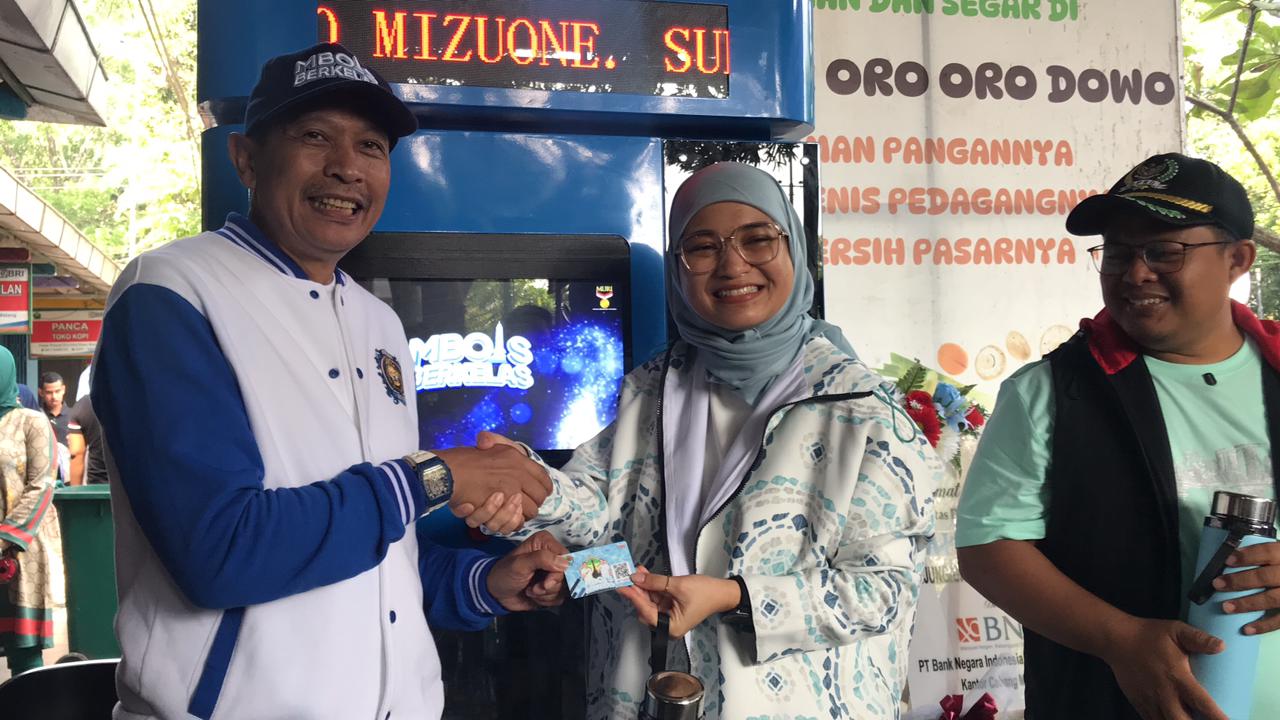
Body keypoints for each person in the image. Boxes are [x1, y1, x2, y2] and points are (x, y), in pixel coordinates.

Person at [93, 43, 564, 720]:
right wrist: (439, 476)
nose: (346, 166)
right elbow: (219, 552)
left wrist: (486, 582)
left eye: (371, 145)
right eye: (314, 136)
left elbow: (383, 557)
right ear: (245, 159)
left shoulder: (380, 324)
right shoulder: (172, 292)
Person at [467, 162, 941, 719]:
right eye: (703, 247)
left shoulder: (862, 412)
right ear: (679, 268)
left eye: (758, 239)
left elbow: (884, 592)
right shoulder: (652, 388)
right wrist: (539, 508)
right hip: (645, 698)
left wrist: (735, 598)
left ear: (794, 250)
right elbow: (623, 543)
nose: (733, 264)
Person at [956, 153, 1279, 720]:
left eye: (1164, 251)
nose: (1135, 273)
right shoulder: (1054, 392)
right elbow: (989, 548)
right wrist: (1120, 639)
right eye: (1118, 252)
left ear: (1237, 259)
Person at [0, 346, 60, 676]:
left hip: (19, 552)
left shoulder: (31, 422)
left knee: (24, 656)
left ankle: (28, 700)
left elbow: (42, 486)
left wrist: (4, 538)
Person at [67, 394, 106, 485]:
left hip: (97, 485)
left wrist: (75, 491)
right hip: (130, 484)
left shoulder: (84, 405)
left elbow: (76, 453)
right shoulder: (134, 401)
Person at [36, 372, 70, 446]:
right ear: (41, 392)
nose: (54, 396)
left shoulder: (74, 416)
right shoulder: (36, 416)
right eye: (49, 392)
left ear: (63, 390)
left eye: (57, 391)